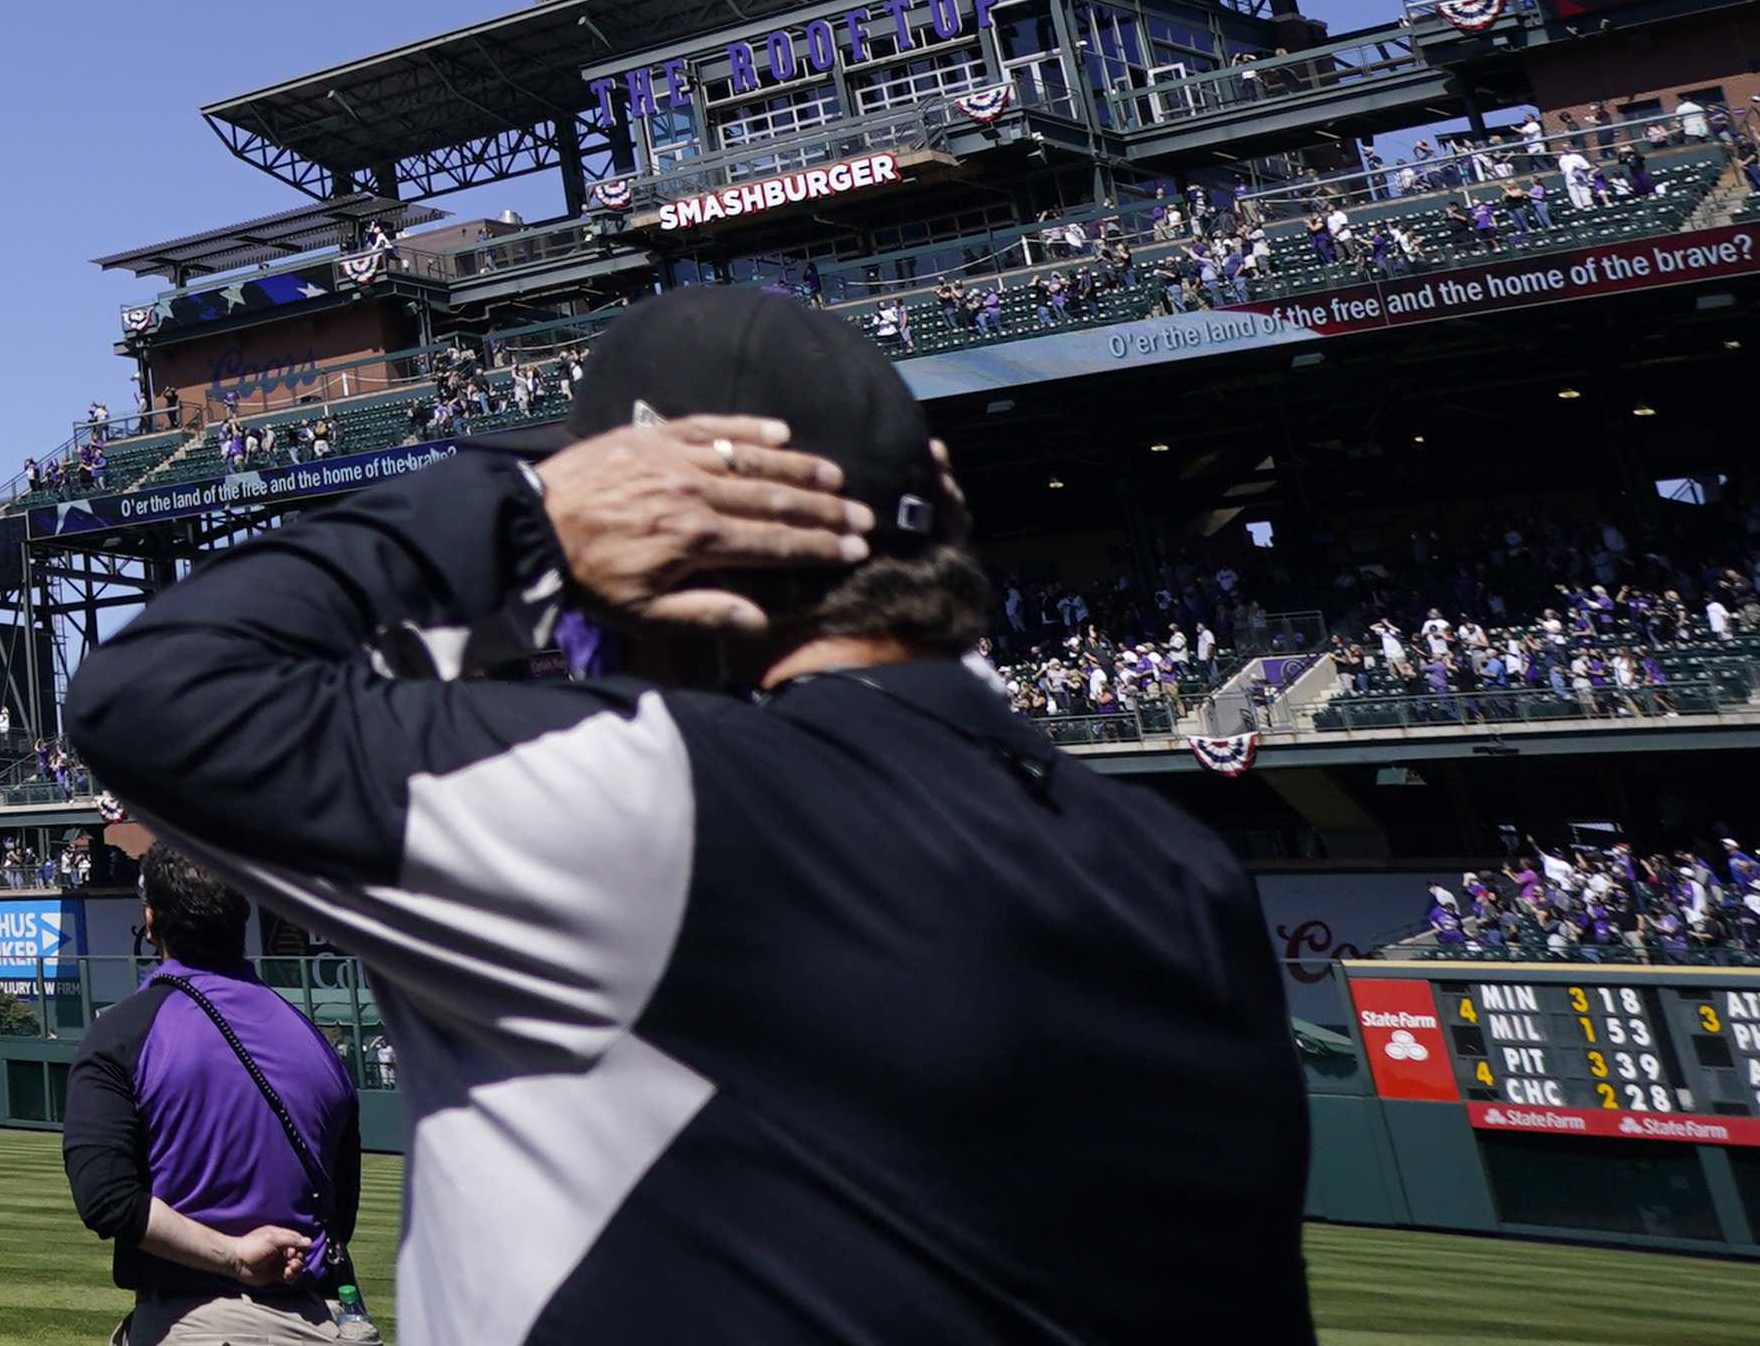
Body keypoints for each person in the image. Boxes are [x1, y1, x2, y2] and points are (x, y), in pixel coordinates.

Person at [65, 287, 1308, 1346]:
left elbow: (152, 696)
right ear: (938, 501)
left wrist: (520, 513)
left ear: (663, 537)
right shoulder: (1180, 870)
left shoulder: (652, 801)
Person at [64, 842, 369, 1344]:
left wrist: (234, 1256)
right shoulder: (313, 1039)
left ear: (151, 921)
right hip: (326, 1322)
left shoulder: (124, 1032)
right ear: (239, 920)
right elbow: (341, 1214)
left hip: (202, 1322)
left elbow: (107, 1199)